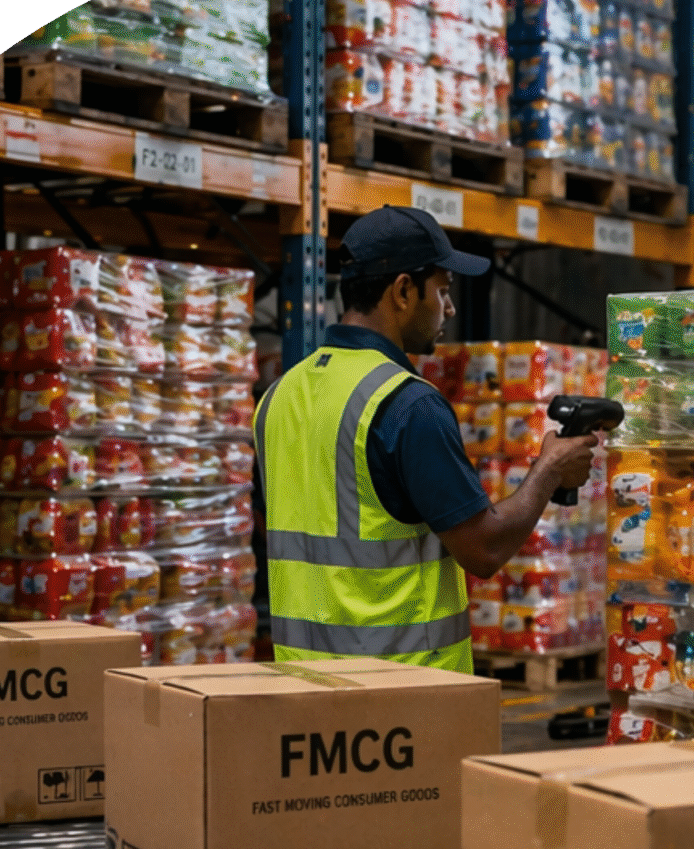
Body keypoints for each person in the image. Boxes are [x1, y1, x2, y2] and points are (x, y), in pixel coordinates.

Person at [255, 205, 605, 673]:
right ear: (403, 291)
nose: (450, 308)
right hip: (402, 683)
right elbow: (483, 549)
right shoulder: (405, 404)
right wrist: (549, 471)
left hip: (302, 679)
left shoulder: (278, 396)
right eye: (442, 290)